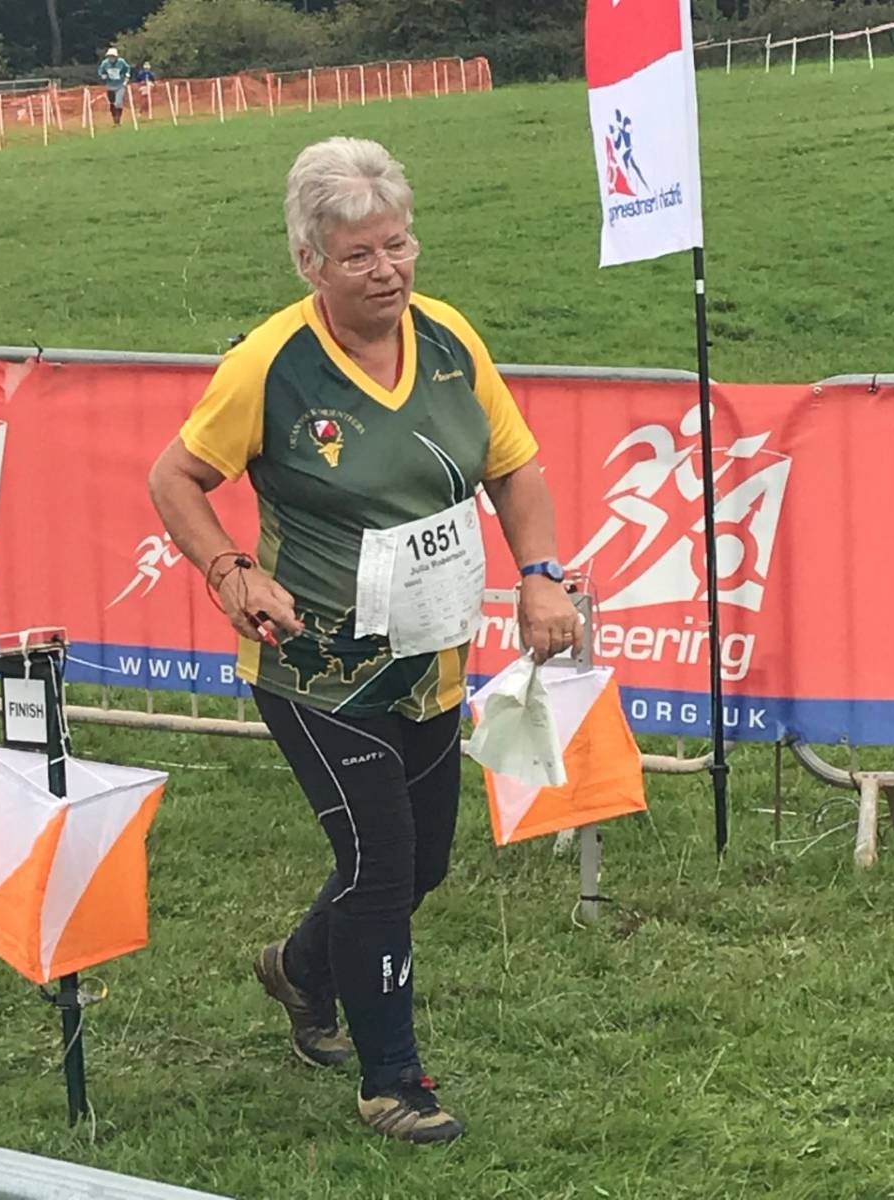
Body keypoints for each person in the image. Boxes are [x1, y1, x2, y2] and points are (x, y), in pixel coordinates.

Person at [148, 136, 581, 1145]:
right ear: (310, 262)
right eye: (359, 256)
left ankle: (300, 969)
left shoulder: (451, 340)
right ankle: (393, 1083)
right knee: (380, 862)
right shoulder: (270, 365)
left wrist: (540, 571)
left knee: (422, 865)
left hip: (431, 654)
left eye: (399, 245)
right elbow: (176, 478)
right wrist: (232, 572)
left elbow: (514, 467)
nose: (387, 271)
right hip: (315, 670)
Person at [96, 46, 131, 126]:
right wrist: (102, 75)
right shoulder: (105, 63)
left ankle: (118, 120)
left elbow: (127, 69)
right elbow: (100, 71)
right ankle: (114, 119)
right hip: (110, 86)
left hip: (120, 85)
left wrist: (127, 77)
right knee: (112, 103)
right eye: (110, 56)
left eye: (113, 56)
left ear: (116, 57)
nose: (111, 58)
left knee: (118, 103)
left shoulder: (121, 62)